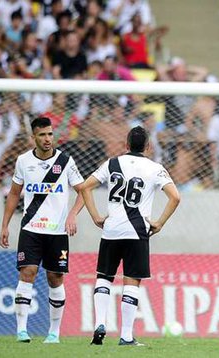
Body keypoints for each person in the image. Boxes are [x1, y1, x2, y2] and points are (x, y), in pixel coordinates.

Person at [80, 126, 180, 346]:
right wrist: (160, 223)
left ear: (126, 145)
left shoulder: (111, 163)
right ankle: (126, 336)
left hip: (111, 230)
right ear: (148, 146)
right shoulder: (155, 168)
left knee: (104, 276)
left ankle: (100, 323)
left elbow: (85, 187)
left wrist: (96, 216)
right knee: (132, 281)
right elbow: (175, 197)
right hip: (137, 231)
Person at [0, 116, 85, 343]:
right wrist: (5, 225)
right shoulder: (23, 161)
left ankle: (54, 333)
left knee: (55, 278)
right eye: (42, 135)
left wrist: (73, 214)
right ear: (33, 137)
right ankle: (21, 331)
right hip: (31, 229)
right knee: (27, 273)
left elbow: (83, 191)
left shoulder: (65, 161)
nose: (47, 139)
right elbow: (15, 194)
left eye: (50, 134)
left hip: (57, 232)